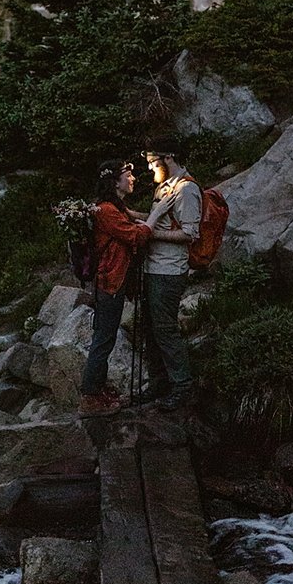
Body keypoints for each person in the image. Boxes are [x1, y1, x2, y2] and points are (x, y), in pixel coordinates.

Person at [78, 159, 172, 418]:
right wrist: (159, 212)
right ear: (114, 181)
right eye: (127, 175)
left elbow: (135, 222)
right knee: (103, 339)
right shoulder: (106, 210)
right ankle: (90, 396)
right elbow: (136, 235)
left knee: (104, 337)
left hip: (112, 281)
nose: (132, 179)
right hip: (110, 282)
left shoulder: (114, 208)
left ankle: (97, 390)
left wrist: (159, 217)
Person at [141, 139, 202, 412]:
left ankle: (182, 387)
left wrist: (149, 233)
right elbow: (163, 219)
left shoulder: (187, 189)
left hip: (169, 270)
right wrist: (135, 216)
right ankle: (160, 382)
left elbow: (190, 233)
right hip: (153, 268)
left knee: (165, 329)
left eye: (154, 163)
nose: (151, 169)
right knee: (151, 329)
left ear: (169, 158)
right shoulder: (164, 187)